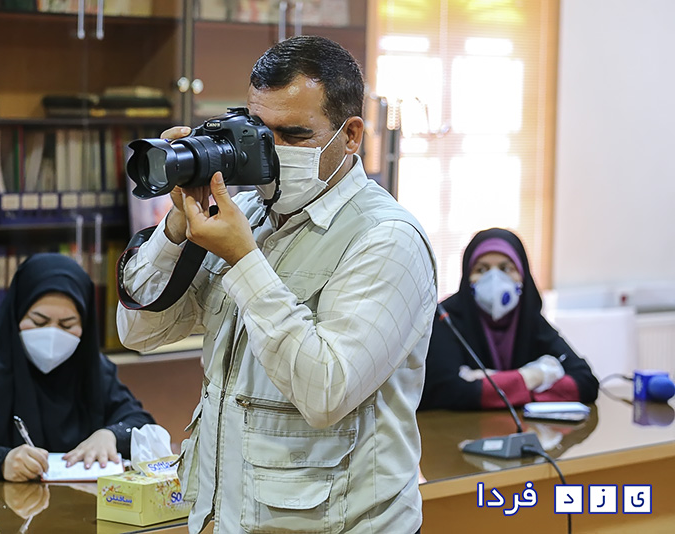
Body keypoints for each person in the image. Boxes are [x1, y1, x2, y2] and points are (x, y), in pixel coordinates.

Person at [117, 36, 436, 534]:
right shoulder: (242, 214)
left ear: (351, 135)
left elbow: (326, 392)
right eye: (258, 131)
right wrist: (175, 227)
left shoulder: (387, 239)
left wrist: (244, 260)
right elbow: (139, 331)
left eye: (294, 134)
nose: (271, 151)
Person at [0, 253, 155, 482]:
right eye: (38, 321)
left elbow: (142, 424)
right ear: (17, 313)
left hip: (74, 505)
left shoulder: (89, 366)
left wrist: (111, 435)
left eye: (67, 325)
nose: (52, 334)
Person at [420, 228, 599, 411]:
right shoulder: (446, 317)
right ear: (467, 277)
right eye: (481, 269)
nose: (494, 278)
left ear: (522, 275)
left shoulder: (531, 319)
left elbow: (586, 383)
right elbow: (445, 391)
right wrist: (532, 377)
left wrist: (496, 384)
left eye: (506, 269)